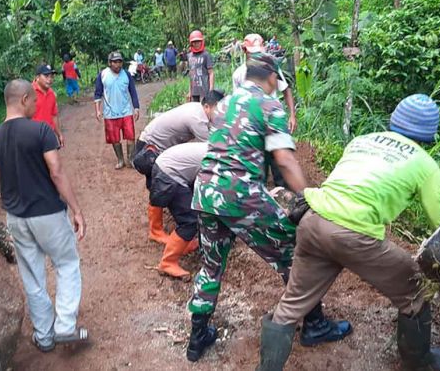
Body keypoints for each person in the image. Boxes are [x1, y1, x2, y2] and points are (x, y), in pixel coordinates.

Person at [256, 94, 440, 371]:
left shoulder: (362, 140)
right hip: (353, 235)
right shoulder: (425, 164)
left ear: (394, 120)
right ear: (430, 135)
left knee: (292, 303)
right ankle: (422, 363)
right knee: (416, 290)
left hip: (313, 219)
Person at [186, 53, 349, 362]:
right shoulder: (269, 105)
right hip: (241, 195)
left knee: (210, 266)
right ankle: (313, 324)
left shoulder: (222, 105)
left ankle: (197, 339)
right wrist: (312, 198)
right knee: (295, 249)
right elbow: (284, 160)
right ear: (272, 78)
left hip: (205, 191)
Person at [0, 79, 88, 353]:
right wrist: (76, 210)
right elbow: (56, 172)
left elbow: (1, 178)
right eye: (33, 100)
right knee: (66, 264)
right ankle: (65, 326)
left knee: (32, 276)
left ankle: (43, 336)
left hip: (17, 218)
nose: (35, 105)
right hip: (48, 214)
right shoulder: (41, 131)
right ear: (23, 100)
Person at [133, 90, 225, 244]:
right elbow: (214, 149)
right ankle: (156, 230)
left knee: (163, 186)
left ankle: (167, 223)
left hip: (156, 148)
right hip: (150, 149)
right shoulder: (198, 118)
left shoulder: (196, 109)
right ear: (208, 107)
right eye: (219, 110)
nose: (221, 115)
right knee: (159, 186)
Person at [233, 34, 297, 188]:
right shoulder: (239, 74)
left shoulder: (272, 68)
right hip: (253, 128)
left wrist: (292, 115)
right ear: (246, 52)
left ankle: (287, 201)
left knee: (281, 172)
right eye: (253, 53)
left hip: (274, 125)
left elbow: (285, 90)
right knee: (257, 174)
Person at [151, 142, 208, 278]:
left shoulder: (220, 148)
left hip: (165, 166)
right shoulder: (223, 159)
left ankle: (184, 243)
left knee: (191, 210)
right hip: (169, 174)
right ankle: (167, 263)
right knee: (190, 220)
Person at [94, 51, 140, 169]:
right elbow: (98, 94)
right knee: (114, 139)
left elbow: (133, 92)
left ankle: (130, 159)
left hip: (126, 111)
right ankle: (120, 159)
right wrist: (98, 110)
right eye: (115, 62)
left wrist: (136, 107)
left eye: (119, 62)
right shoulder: (103, 75)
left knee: (130, 136)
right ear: (110, 63)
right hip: (110, 113)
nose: (117, 65)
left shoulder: (126, 75)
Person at [32, 64, 64, 147]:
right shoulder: (29, 92)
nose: (49, 79)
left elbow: (54, 116)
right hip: (33, 137)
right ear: (37, 77)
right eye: (46, 76)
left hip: (49, 135)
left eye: (51, 76)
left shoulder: (51, 94)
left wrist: (59, 134)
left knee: (52, 159)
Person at [186, 30, 214, 102]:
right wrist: (190, 91)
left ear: (201, 42)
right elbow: (191, 75)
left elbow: (211, 73)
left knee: (204, 110)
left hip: (205, 89)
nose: (196, 44)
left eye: (198, 41)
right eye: (194, 42)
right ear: (191, 43)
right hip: (194, 91)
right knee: (195, 111)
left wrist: (211, 89)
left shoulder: (206, 55)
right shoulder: (189, 56)